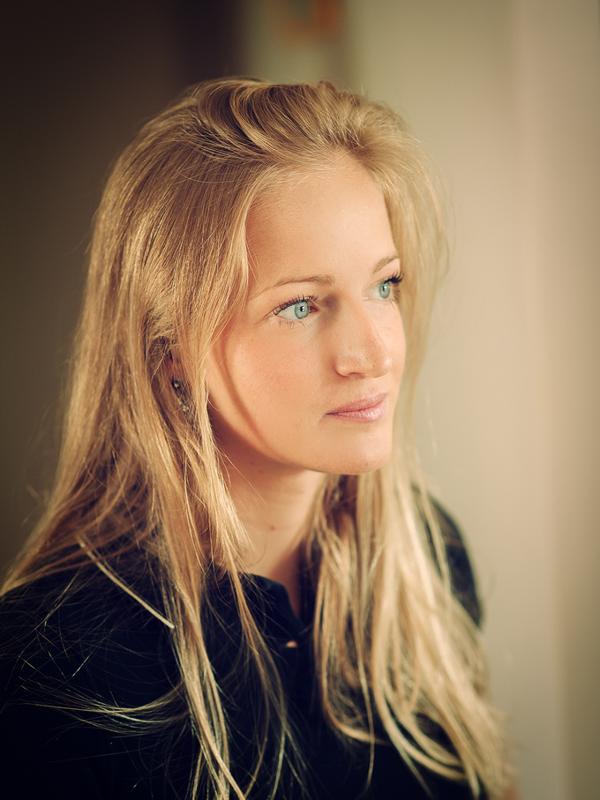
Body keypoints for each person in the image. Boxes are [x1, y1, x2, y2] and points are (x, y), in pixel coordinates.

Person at [0, 78, 514, 799]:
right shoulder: (47, 670)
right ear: (171, 351)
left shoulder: (428, 562)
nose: (372, 353)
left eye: (384, 286)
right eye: (300, 306)